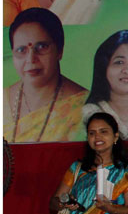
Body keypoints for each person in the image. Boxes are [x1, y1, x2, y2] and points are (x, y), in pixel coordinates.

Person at [4, 8, 87, 143]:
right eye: (21, 50)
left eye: (41, 47)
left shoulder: (85, 107)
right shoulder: (3, 101)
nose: (31, 59)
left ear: (59, 49)